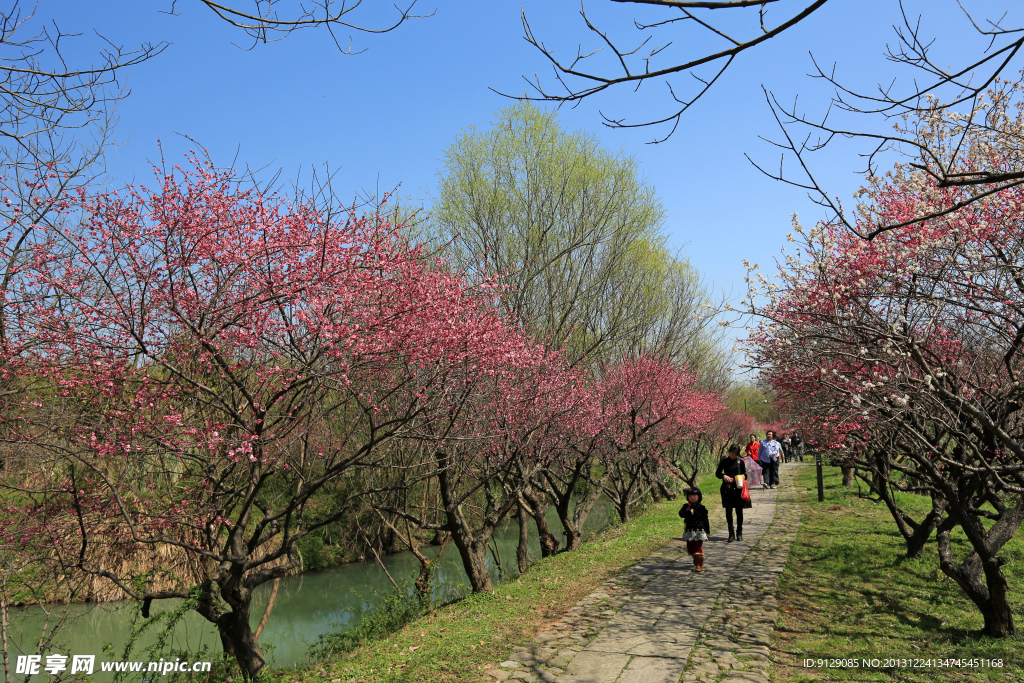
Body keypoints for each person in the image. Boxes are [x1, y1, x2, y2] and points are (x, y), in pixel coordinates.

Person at [715, 444, 751, 541]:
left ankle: (739, 533)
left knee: (739, 511)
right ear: (729, 452)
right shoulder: (724, 461)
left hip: (738, 488)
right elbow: (717, 473)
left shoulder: (740, 462)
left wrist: (743, 476)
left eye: (735, 454)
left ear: (738, 454)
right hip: (727, 488)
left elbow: (745, 474)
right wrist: (724, 476)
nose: (733, 455)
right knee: (728, 511)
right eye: (731, 453)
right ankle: (731, 533)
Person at [678, 487, 711, 572]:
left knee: (698, 547)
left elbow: (705, 520)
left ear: (699, 497)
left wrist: (707, 531)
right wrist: (688, 512)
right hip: (690, 530)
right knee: (690, 548)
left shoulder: (702, 508)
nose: (692, 497)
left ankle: (699, 564)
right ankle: (696, 558)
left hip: (699, 530)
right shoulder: (686, 506)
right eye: (690, 496)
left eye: (694, 496)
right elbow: (681, 514)